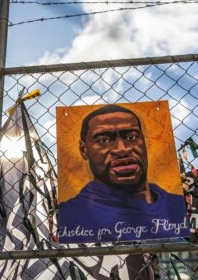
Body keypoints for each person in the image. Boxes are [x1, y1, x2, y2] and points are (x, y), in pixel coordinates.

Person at [58, 104, 187, 243]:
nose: (121, 149)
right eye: (103, 141)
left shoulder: (178, 205)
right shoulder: (70, 215)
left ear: (144, 142)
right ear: (84, 150)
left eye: (131, 137)